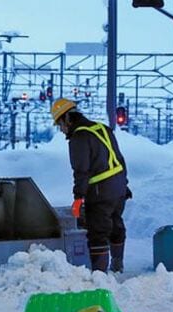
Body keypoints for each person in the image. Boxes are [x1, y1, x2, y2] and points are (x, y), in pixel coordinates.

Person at [51, 98, 131, 273]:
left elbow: (81, 171)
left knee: (98, 232)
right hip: (118, 188)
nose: (61, 129)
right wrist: (124, 185)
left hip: (100, 192)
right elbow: (119, 158)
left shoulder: (79, 137)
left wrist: (78, 198)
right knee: (116, 225)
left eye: (59, 124)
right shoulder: (102, 128)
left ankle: (99, 275)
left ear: (66, 119)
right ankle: (118, 265)